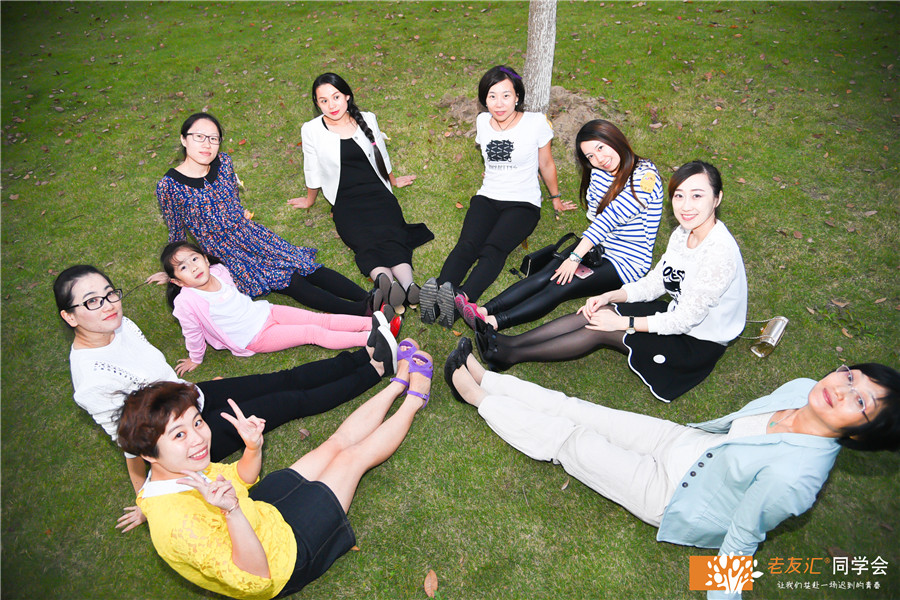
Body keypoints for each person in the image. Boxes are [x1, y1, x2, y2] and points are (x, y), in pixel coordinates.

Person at [445, 340, 900, 600]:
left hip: (670, 496)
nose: (842, 388)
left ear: (861, 437)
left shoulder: (796, 479)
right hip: (684, 442)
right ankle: (490, 379)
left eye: (860, 401)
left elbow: (743, 540)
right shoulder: (802, 388)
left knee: (572, 441)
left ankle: (477, 397)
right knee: (581, 410)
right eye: (851, 376)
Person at [54, 264, 399, 532]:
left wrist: (192, 385)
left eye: (109, 294)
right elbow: (132, 446)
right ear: (69, 316)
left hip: (193, 396)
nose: (108, 306)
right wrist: (146, 501)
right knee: (291, 401)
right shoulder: (92, 381)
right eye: (92, 302)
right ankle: (377, 369)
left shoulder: (120, 324)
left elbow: (156, 376)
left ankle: (363, 354)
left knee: (283, 379)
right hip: (188, 436)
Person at [117, 346, 434, 599]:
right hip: (282, 558)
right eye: (179, 435)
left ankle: (397, 384)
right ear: (148, 454)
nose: (198, 438)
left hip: (263, 511)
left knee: (334, 445)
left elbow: (242, 478)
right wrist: (232, 511)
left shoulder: (178, 469)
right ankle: (413, 401)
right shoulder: (177, 527)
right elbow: (258, 578)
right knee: (351, 459)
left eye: (197, 422)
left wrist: (252, 448)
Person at [475, 160, 747, 402]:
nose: (686, 206)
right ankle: (509, 344)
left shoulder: (719, 254)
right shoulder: (683, 233)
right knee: (599, 311)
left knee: (602, 329)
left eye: (697, 195)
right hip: (677, 312)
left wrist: (623, 323)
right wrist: (611, 295)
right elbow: (656, 282)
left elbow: (684, 321)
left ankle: (510, 355)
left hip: (697, 341)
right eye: (679, 195)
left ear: (717, 198)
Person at [152, 112, 374, 316]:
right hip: (225, 251)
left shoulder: (224, 162)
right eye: (199, 137)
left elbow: (232, 200)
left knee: (303, 264)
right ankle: (361, 310)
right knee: (290, 280)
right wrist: (174, 270)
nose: (207, 145)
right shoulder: (168, 186)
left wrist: (238, 216)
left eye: (213, 138)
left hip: (250, 233)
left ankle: (371, 298)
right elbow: (176, 232)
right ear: (184, 139)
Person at [456, 119, 663, 331]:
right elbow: (595, 214)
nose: (599, 159)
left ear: (614, 138)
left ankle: (493, 323)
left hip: (626, 261)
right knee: (545, 274)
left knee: (561, 285)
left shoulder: (645, 177)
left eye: (601, 148)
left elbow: (608, 219)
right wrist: (582, 251)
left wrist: (575, 257)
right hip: (598, 245)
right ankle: (483, 310)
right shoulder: (599, 172)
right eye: (590, 156)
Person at [419, 65, 577, 328]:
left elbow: (546, 164)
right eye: (492, 96)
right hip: (488, 197)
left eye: (506, 95)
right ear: (484, 99)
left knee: (493, 250)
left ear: (517, 97)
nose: (499, 103)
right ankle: (437, 296)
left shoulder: (535, 122)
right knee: (467, 245)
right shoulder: (483, 121)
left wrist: (556, 198)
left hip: (523, 203)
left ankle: (459, 303)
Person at [290, 73, 434, 315]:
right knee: (364, 241)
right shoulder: (311, 130)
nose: (331, 105)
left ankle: (409, 286)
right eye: (324, 100)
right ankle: (388, 286)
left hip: (377, 193)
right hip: (345, 200)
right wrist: (309, 200)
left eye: (336, 97)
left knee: (392, 233)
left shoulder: (367, 119)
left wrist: (393, 181)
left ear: (347, 96)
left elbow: (381, 154)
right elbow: (311, 169)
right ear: (317, 104)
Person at [160, 241, 374, 376]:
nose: (194, 267)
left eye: (195, 259)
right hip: (255, 336)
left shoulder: (219, 271)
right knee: (312, 332)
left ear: (206, 260)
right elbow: (192, 332)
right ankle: (371, 338)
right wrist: (195, 358)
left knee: (319, 319)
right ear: (177, 281)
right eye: (184, 267)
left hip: (266, 311)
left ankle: (373, 322)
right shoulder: (186, 302)